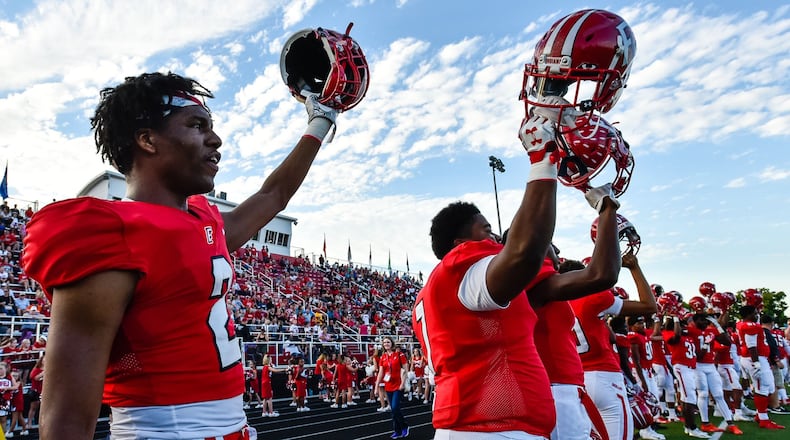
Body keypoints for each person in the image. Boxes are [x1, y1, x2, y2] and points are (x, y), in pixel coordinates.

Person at [21, 71, 340, 439]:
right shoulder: (113, 233)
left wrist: (321, 121)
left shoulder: (203, 218)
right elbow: (67, 420)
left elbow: (273, 196)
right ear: (147, 140)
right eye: (197, 125)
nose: (215, 139)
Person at [412, 108, 563, 439]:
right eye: (487, 229)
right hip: (491, 425)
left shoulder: (435, 288)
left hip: (473, 421)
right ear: (460, 242)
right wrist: (543, 160)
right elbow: (524, 254)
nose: (495, 238)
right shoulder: (461, 265)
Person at [568, 251, 659, 440]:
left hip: (577, 381)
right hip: (605, 378)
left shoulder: (553, 303)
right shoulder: (592, 298)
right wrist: (634, 267)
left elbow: (608, 334)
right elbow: (649, 306)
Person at [690, 312, 743, 434]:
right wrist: (706, 344)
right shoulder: (691, 331)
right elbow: (698, 355)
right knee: (703, 394)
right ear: (695, 321)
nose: (705, 322)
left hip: (710, 365)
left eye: (706, 320)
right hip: (698, 366)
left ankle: (731, 423)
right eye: (702, 320)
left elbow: (727, 341)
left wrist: (716, 324)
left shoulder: (711, 331)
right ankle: (705, 423)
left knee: (718, 394)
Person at [736, 305, 785, 429]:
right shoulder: (749, 326)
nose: (757, 314)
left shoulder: (749, 324)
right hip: (755, 359)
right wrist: (756, 363)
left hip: (759, 358)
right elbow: (751, 345)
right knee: (762, 388)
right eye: (754, 312)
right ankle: (763, 419)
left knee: (769, 386)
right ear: (748, 315)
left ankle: (760, 414)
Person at [375, 336, 409, 438]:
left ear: (392, 343)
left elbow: (405, 370)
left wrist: (403, 383)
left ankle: (404, 426)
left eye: (388, 342)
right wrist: (376, 386)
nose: (386, 344)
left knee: (395, 407)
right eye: (384, 342)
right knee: (393, 411)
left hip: (398, 385)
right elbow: (381, 373)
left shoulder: (399, 354)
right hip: (388, 386)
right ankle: (397, 431)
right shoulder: (383, 357)